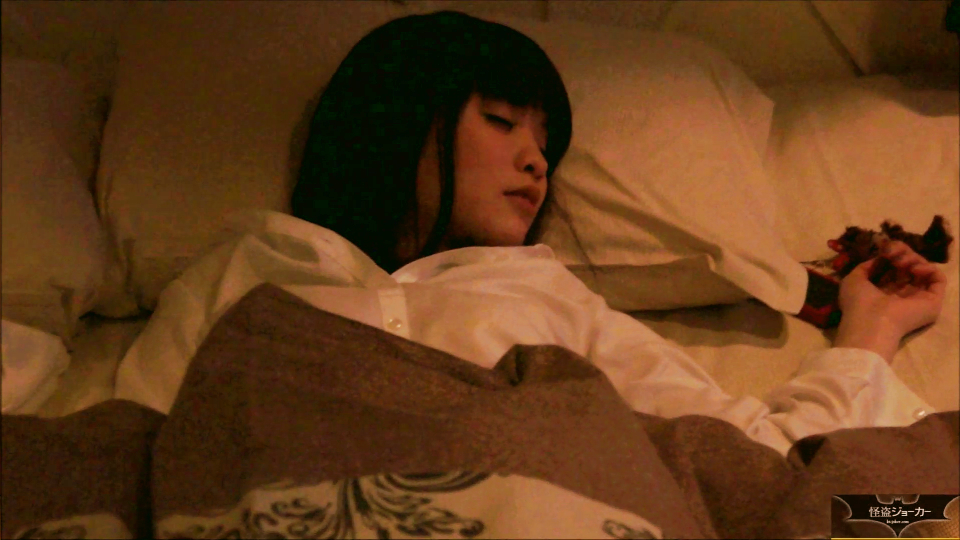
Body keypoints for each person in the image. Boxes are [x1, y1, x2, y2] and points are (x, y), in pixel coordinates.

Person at [113, 11, 946, 457]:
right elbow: (128, 451)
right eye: (503, 120)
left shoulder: (547, 299)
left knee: (908, 508)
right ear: (396, 119)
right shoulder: (252, 267)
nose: (536, 161)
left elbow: (750, 459)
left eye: (546, 144)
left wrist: (871, 330)